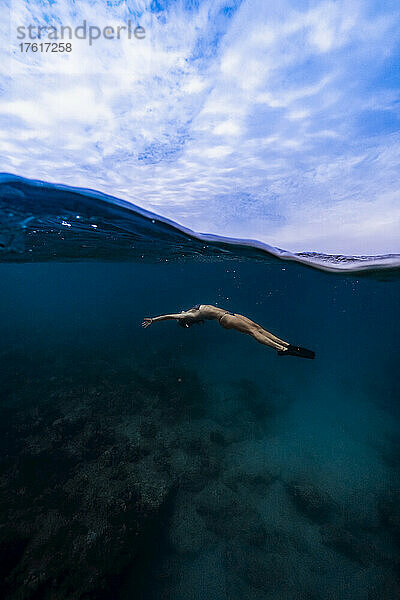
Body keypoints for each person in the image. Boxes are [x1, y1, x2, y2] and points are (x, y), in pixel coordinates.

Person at [142, 304, 315, 359]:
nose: (180, 313)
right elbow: (169, 316)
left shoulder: (192, 313)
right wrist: (154, 320)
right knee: (252, 332)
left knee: (258, 328)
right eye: (181, 317)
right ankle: (280, 349)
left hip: (231, 315)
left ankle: (286, 345)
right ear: (184, 319)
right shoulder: (188, 314)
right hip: (225, 319)